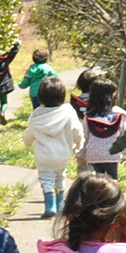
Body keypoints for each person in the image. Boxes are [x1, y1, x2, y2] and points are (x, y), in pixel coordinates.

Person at [23, 84, 84, 218]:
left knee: (46, 179)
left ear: (41, 97)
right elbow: (77, 130)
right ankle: (60, 204)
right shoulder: (68, 112)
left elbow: (30, 132)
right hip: (63, 154)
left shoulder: (37, 114)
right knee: (60, 176)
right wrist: (79, 143)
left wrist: (27, 142)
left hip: (43, 156)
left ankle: (50, 206)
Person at [77, 78, 126, 178]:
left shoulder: (89, 116)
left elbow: (84, 138)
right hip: (112, 155)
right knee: (112, 181)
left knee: (97, 181)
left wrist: (80, 155)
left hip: (93, 154)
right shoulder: (120, 114)